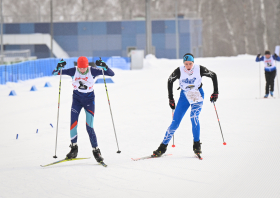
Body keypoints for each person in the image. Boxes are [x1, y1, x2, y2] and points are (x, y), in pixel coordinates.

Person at [153, 53, 218, 157]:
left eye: (190, 63)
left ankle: (197, 145)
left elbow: (213, 75)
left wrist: (215, 92)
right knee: (175, 122)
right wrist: (171, 98)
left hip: (197, 94)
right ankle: (162, 147)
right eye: (186, 64)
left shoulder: (200, 69)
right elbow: (170, 81)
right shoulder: (179, 71)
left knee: (194, 117)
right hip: (184, 96)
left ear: (193, 63)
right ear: (183, 63)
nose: (188, 66)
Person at [52, 56, 114, 163]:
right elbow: (55, 73)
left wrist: (104, 66)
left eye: (84, 68)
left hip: (89, 101)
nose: (82, 70)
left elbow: (111, 74)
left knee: (89, 126)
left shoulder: (92, 70)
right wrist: (58, 67)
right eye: (80, 68)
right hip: (77, 100)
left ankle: (96, 151)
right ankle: (73, 148)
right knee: (73, 124)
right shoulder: (73, 70)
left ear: (87, 66)